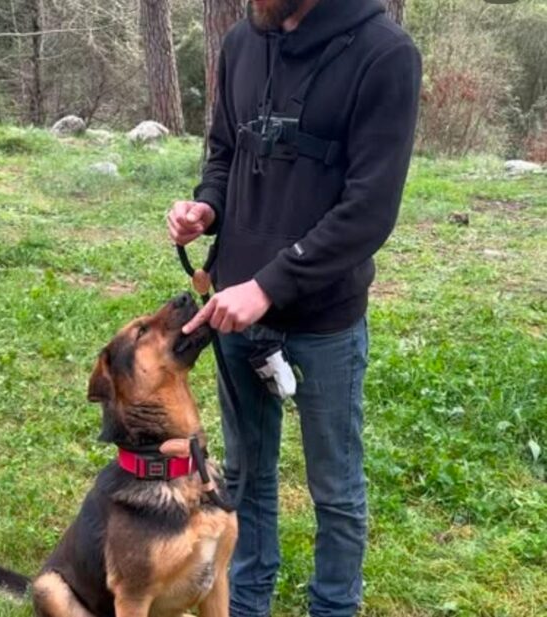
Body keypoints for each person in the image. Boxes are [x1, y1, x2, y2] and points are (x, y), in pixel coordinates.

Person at [167, 0, 421, 615]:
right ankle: (247, 601)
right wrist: (207, 206)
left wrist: (270, 285)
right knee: (245, 475)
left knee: (335, 488)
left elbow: (369, 210)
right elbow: (224, 151)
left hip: (323, 319)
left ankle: (333, 606)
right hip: (234, 309)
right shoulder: (241, 42)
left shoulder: (386, 55)